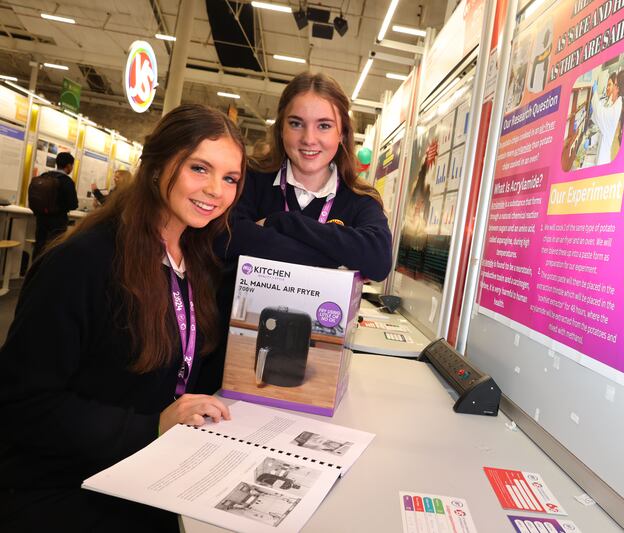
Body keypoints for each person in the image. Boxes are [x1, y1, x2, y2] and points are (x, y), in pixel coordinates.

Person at [0, 104, 246, 532]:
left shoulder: (200, 261)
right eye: (199, 168)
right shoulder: (82, 262)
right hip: (66, 483)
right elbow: (22, 404)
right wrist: (152, 426)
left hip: (148, 468)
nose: (215, 191)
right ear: (156, 167)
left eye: (230, 179)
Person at [219, 71, 392, 282]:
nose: (309, 139)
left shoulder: (359, 199)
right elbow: (224, 238)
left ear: (342, 133)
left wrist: (283, 222)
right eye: (296, 124)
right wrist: (336, 258)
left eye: (324, 126)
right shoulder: (250, 179)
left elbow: (378, 260)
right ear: (281, 129)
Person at [30, 151, 78, 258]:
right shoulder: (67, 181)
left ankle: (34, 271)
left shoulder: (44, 175)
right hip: (58, 221)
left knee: (39, 245)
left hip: (41, 218)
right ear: (69, 165)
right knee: (54, 248)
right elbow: (73, 205)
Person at [590, 70, 624, 165]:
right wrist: (591, 141)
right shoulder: (614, 104)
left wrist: (594, 95)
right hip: (601, 150)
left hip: (603, 158)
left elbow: (600, 114)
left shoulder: (616, 108)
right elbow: (603, 129)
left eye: (613, 84)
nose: (610, 88)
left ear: (617, 88)